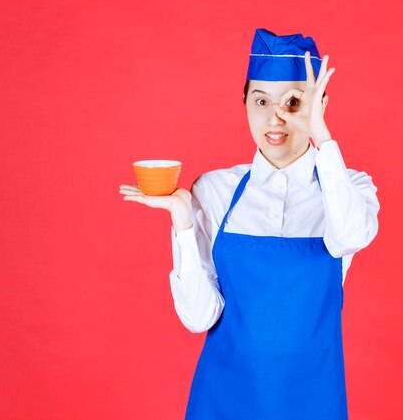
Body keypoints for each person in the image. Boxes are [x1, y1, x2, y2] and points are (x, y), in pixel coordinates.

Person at [119, 28, 380, 420]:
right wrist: (183, 222)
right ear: (244, 103)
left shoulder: (347, 186)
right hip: (224, 399)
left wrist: (321, 134)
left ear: (318, 105)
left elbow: (349, 238)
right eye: (261, 101)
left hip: (312, 400)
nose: (275, 118)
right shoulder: (215, 189)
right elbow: (198, 318)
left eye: (294, 102)